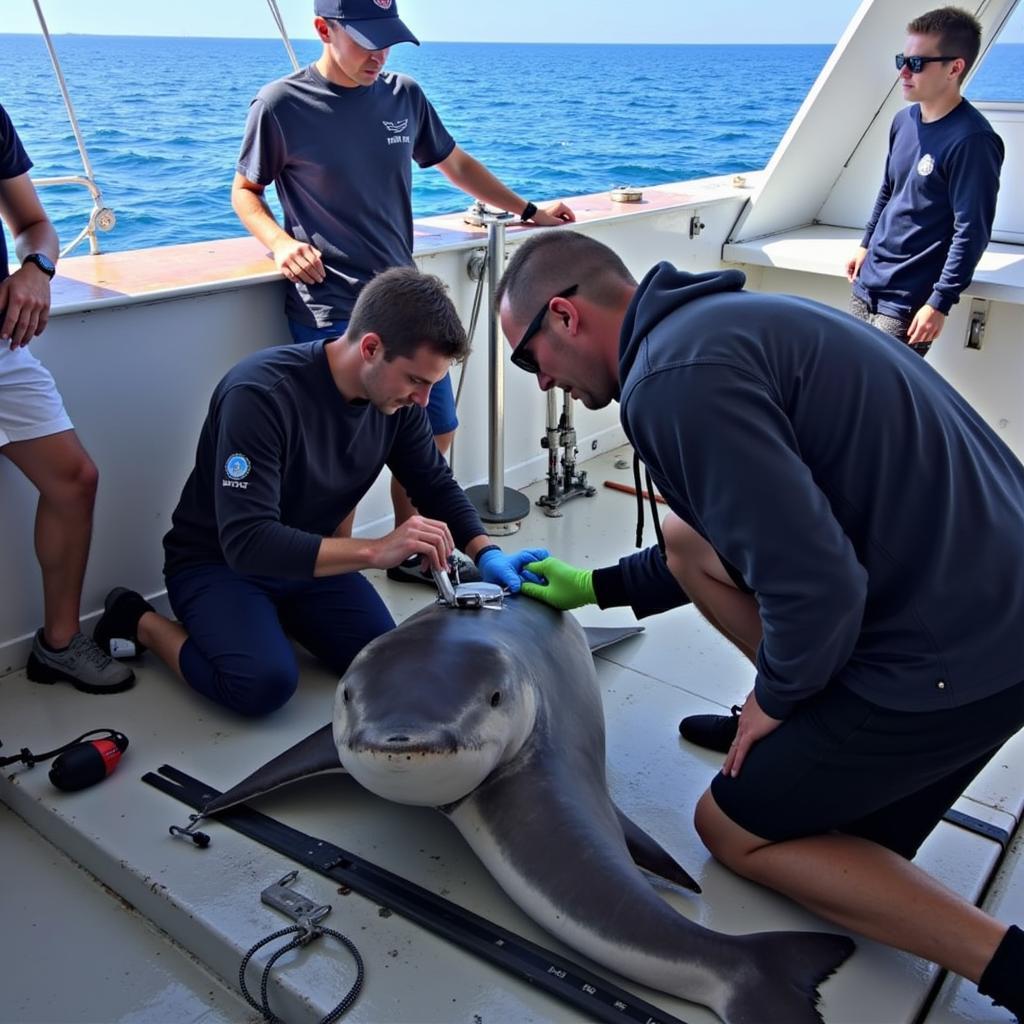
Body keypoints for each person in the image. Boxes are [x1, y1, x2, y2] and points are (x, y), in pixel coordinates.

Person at [496, 229, 1024, 1018]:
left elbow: (817, 587)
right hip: (987, 604)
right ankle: (818, 725)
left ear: (565, 317)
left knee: (730, 828)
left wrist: (774, 705)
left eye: (527, 358)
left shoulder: (671, 385)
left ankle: (1006, 963)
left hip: (956, 656)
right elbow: (733, 544)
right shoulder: (717, 325)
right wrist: (589, 586)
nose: (542, 382)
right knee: (680, 536)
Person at [92, 268, 543, 717]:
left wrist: (486, 553)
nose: (423, 400)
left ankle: (273, 618)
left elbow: (433, 482)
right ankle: (138, 619)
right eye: (416, 381)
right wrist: (374, 551)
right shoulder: (260, 395)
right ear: (371, 348)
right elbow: (246, 541)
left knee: (387, 662)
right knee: (264, 685)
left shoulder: (395, 404)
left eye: (431, 384)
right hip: (219, 563)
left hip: (309, 564)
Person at [231, 0, 574, 585]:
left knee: (435, 424)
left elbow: (453, 161)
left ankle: (415, 549)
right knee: (338, 453)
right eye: (366, 41)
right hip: (330, 303)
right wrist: (278, 243)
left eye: (387, 41)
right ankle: (329, 576)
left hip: (401, 300)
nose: (379, 54)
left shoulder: (403, 95)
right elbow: (245, 190)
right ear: (323, 30)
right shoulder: (281, 105)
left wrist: (529, 211)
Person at [0, 103, 134, 695]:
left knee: (74, 480)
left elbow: (34, 222)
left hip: (3, 350)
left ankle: (57, 642)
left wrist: (36, 269)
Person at [846, 6, 1003, 357]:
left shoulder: (973, 140)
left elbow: (971, 230)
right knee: (842, 383)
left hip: (908, 302)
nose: (903, 71)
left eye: (917, 63)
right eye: (903, 59)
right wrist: (865, 244)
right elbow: (889, 190)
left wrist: (940, 302)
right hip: (866, 283)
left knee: (879, 400)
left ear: (954, 67)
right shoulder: (903, 121)